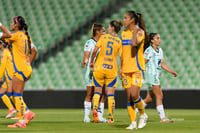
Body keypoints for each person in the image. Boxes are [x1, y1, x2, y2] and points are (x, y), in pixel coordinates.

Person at [0, 16, 35, 128]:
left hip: (20, 69)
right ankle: (27, 113)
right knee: (16, 95)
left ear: (16, 25)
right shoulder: (26, 36)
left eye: (12, 22)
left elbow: (6, 35)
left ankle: (22, 121)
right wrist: (27, 63)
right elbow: (34, 50)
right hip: (26, 68)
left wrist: (0, 25)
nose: (10, 24)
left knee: (17, 95)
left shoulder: (15, 35)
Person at [119, 11, 148, 130]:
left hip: (137, 68)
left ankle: (142, 115)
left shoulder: (140, 32)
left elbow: (134, 43)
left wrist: (135, 30)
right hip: (126, 69)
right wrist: (120, 67)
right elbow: (122, 53)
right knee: (129, 97)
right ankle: (132, 122)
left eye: (126, 18)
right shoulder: (123, 33)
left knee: (135, 94)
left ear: (132, 20)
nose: (124, 20)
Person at [90, 20, 123, 123]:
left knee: (97, 92)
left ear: (113, 28)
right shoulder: (119, 41)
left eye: (109, 27)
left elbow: (95, 50)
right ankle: (110, 118)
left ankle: (95, 110)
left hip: (99, 68)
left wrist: (92, 62)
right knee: (111, 95)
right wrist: (120, 70)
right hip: (111, 70)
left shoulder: (103, 37)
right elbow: (122, 58)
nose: (107, 29)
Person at [143, 33, 178, 122]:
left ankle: (135, 111)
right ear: (152, 40)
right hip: (151, 75)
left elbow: (162, 64)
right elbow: (143, 62)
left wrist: (171, 71)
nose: (159, 40)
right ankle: (162, 118)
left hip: (156, 75)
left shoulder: (160, 50)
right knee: (159, 95)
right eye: (157, 38)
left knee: (149, 98)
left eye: (159, 38)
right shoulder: (149, 50)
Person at [81, 23, 107, 123]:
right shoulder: (90, 42)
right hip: (91, 71)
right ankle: (86, 116)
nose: (104, 33)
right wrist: (85, 60)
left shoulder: (104, 43)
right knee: (90, 93)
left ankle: (99, 116)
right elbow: (86, 54)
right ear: (97, 32)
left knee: (102, 94)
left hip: (102, 71)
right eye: (103, 31)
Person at [0, 40, 16, 118]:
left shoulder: (4, 53)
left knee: (12, 95)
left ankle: (22, 111)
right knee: (1, 92)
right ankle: (11, 109)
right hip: (10, 76)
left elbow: (2, 66)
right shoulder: (8, 51)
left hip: (10, 76)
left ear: (2, 44)